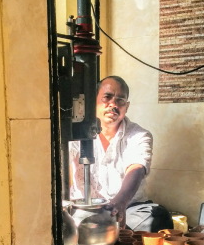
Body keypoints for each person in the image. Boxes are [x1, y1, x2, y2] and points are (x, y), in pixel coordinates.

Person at [69, 76, 173, 231]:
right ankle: (109, 232)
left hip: (127, 209)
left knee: (157, 217)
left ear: (127, 106)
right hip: (85, 211)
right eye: (107, 97)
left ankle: (108, 231)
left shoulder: (139, 135)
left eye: (120, 100)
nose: (113, 105)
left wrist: (120, 203)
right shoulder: (75, 134)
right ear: (93, 101)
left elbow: (136, 169)